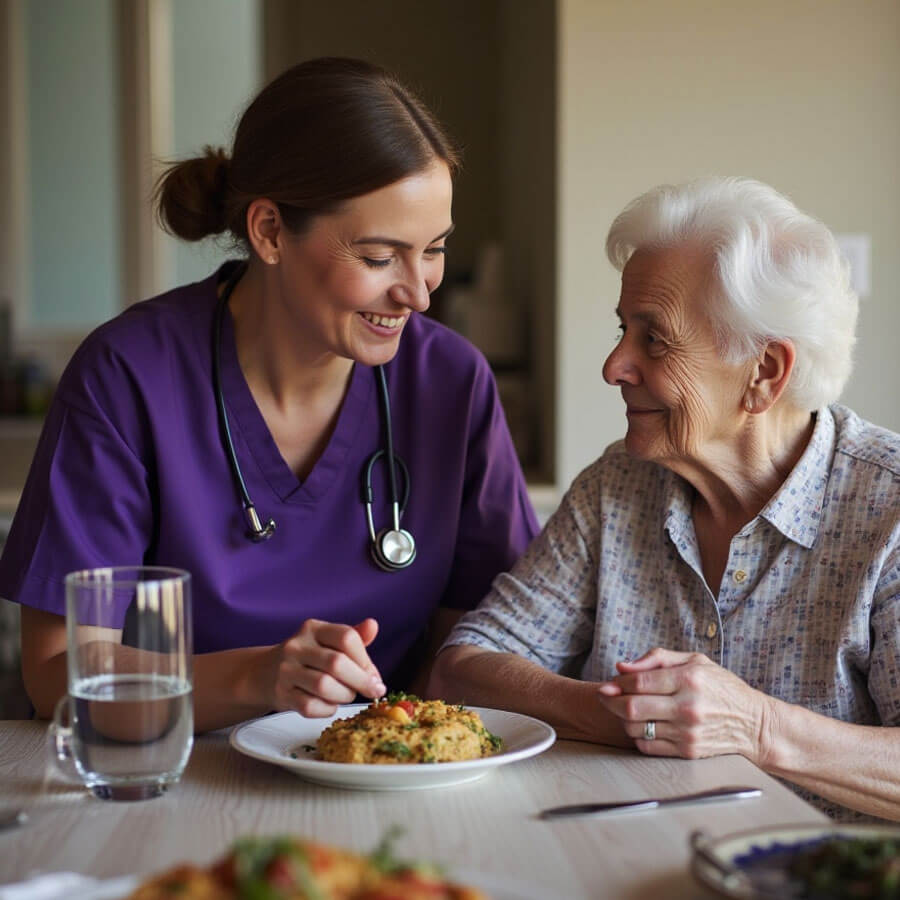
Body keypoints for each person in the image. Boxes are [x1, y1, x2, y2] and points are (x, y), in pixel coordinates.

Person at [0, 57, 539, 733]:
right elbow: (58, 671)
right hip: (166, 777)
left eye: (433, 249)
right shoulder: (127, 376)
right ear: (270, 231)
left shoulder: (451, 384)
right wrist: (259, 678)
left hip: (387, 774)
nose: (419, 291)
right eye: (379, 257)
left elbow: (487, 639)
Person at [429, 176, 900, 822]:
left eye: (653, 339)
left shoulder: (888, 509)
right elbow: (461, 670)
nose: (613, 365)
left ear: (764, 372)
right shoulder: (617, 487)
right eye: (624, 330)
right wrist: (630, 715)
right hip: (612, 863)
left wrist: (757, 729)